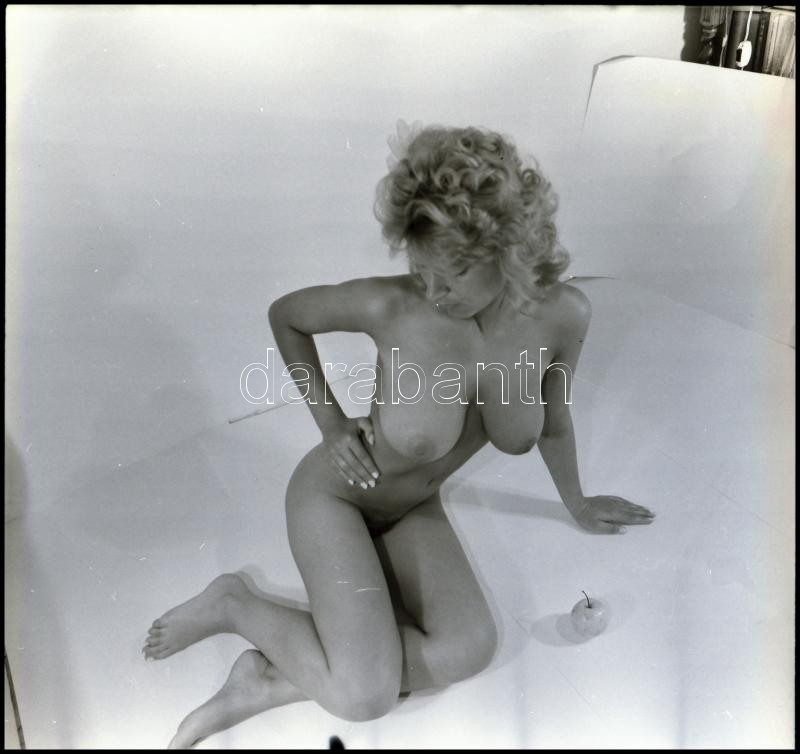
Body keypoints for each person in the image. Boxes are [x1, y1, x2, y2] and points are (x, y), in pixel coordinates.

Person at [143, 121, 656, 748]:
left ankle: (273, 678)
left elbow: (553, 419)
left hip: (415, 507)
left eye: (454, 273)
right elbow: (287, 316)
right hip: (338, 497)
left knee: (471, 648)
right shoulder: (393, 305)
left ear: (508, 247)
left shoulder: (565, 315)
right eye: (421, 267)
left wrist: (577, 501)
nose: (434, 290)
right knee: (364, 697)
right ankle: (236, 604)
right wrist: (332, 424)